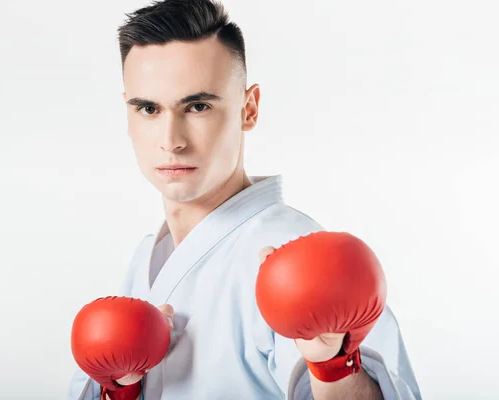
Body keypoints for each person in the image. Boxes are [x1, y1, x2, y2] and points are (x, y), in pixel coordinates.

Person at [68, 0, 421, 399]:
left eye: (198, 106)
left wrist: (333, 366)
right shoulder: (148, 256)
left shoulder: (293, 256)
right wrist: (122, 390)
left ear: (248, 108)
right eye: (148, 108)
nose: (171, 141)